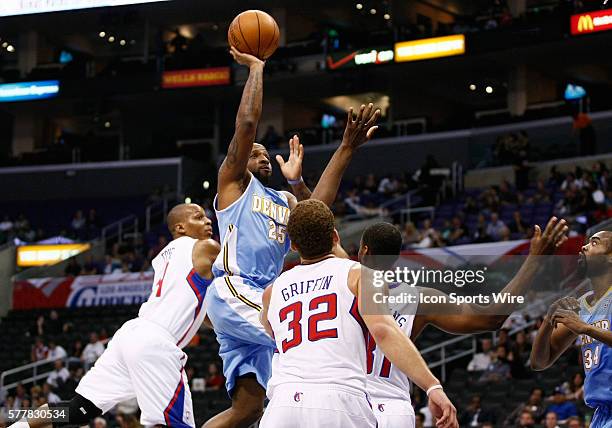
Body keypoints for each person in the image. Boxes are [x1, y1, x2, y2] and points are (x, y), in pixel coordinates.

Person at [203, 46, 381, 428]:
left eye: (266, 153)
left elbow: (317, 214)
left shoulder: (283, 199)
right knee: (304, 346)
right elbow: (247, 125)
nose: (262, 155)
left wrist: (341, 151)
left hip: (266, 297)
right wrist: (256, 68)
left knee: (248, 409)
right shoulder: (234, 186)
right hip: (236, 289)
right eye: (254, 153)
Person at [8, 204, 220, 428]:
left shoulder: (164, 257)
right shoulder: (205, 247)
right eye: (198, 217)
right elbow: (241, 262)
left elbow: (199, 307)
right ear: (180, 227)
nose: (208, 221)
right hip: (155, 342)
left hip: (129, 335)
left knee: (78, 409)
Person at [348, 217, 567, 428]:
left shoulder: (338, 283)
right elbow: (492, 317)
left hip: (347, 401)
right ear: (396, 257)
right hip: (393, 407)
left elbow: (318, 221)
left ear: (364, 251)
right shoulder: (420, 297)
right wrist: (534, 260)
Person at [259, 200, 458, 428]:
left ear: (293, 245)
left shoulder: (272, 291)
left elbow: (270, 329)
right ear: (335, 237)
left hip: (281, 406)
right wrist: (432, 386)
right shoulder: (360, 276)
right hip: (337, 400)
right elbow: (383, 331)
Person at [531, 230, 612, 428]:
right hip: (601, 415)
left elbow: (584, 328)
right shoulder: (580, 306)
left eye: (594, 243)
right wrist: (548, 321)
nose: (583, 247)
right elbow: (539, 362)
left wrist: (586, 328)